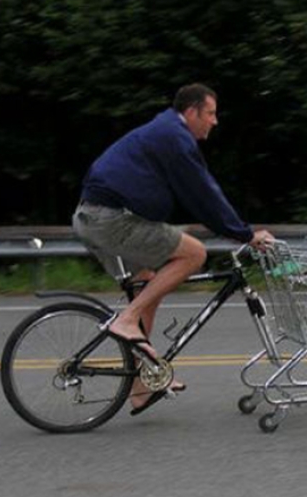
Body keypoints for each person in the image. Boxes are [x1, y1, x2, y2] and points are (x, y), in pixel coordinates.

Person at [73, 83, 274, 415]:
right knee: (194, 254)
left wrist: (236, 230)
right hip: (108, 218)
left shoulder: (166, 131)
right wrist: (244, 234)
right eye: (210, 113)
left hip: (95, 215)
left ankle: (140, 386)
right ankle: (127, 319)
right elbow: (204, 194)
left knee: (147, 283)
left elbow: (196, 193)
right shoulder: (175, 137)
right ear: (191, 111)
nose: (215, 121)